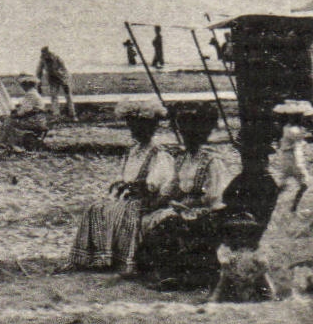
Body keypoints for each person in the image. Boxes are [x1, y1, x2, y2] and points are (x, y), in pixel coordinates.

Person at [65, 100, 176, 274]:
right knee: (94, 208)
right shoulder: (132, 151)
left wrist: (140, 187)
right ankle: (91, 257)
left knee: (119, 212)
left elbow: (159, 186)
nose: (136, 131)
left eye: (141, 127)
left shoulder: (159, 154)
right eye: (133, 127)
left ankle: (118, 260)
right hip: (128, 197)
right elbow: (121, 178)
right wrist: (121, 186)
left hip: (146, 201)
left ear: (152, 128)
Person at [138, 103, 229, 288]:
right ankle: (159, 270)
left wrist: (189, 203)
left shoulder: (212, 160)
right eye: (185, 134)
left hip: (209, 211)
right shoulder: (183, 159)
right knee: (152, 217)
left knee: (169, 222)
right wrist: (157, 201)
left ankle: (174, 275)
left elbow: (214, 195)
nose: (188, 139)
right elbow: (172, 186)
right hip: (185, 207)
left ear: (202, 135)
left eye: (192, 134)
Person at [272, 100, 313, 216]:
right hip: (294, 159)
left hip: (286, 158)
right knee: (304, 183)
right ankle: (294, 207)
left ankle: (272, 202)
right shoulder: (294, 130)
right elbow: (300, 139)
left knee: (284, 182)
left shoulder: (286, 128)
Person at [0, 75, 51, 150]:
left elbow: (23, 111)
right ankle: (11, 142)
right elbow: (27, 109)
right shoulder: (35, 94)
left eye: (23, 85)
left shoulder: (30, 94)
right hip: (39, 120)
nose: (22, 87)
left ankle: (4, 143)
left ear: (27, 85)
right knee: (10, 120)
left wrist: (14, 115)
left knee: (8, 121)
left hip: (34, 121)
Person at [36, 46, 76, 120]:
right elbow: (39, 72)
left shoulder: (57, 58)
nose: (45, 57)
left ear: (49, 53)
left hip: (62, 78)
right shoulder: (42, 60)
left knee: (68, 95)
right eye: (43, 54)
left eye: (46, 54)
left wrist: (65, 83)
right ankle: (56, 115)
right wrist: (39, 83)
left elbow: (65, 70)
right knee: (54, 96)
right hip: (52, 80)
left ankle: (72, 114)